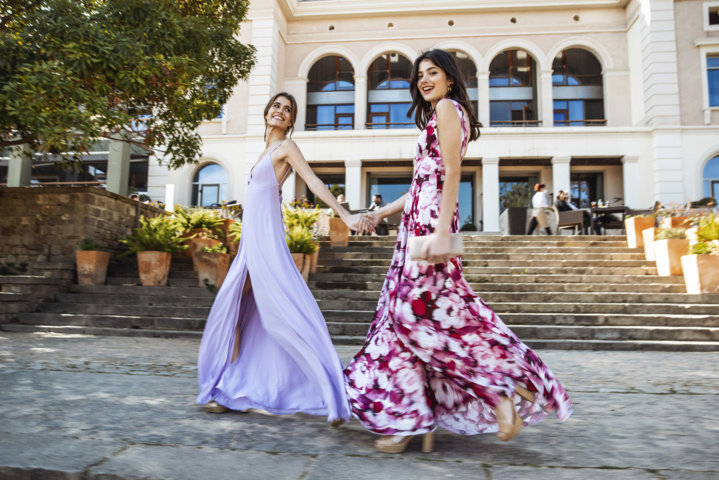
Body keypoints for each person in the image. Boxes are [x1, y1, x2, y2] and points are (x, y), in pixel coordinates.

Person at [344, 49, 571, 454]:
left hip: (431, 223)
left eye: (433, 72)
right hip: (416, 222)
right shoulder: (437, 114)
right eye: (419, 75)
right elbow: (421, 183)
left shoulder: (448, 108)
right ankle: (407, 418)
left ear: (450, 78)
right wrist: (380, 213)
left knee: (412, 316)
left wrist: (440, 232)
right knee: (410, 318)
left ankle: (499, 392)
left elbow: (451, 174)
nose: (425, 80)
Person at [196, 92, 370, 424]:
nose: (280, 111)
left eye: (287, 110)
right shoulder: (262, 153)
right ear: (266, 113)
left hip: (266, 244)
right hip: (251, 243)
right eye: (276, 106)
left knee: (279, 312)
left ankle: (329, 393)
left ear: (290, 121)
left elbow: (314, 182)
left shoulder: (286, 148)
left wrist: (345, 216)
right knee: (235, 308)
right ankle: (234, 386)